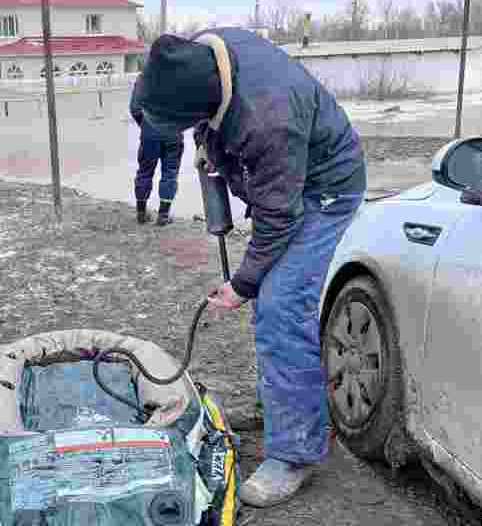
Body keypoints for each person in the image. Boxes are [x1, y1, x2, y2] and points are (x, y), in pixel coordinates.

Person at [133, 28, 366, 507]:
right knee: (270, 300)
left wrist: (242, 284)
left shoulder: (268, 118)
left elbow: (280, 219)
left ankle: (296, 452)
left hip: (323, 191)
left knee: (280, 305)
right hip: (284, 177)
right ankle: (282, 408)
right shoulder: (198, 53)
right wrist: (209, 145)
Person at [130, 79, 185, 225]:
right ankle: (163, 215)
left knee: (144, 171)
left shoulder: (145, 78)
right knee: (170, 173)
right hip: (173, 132)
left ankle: (141, 213)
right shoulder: (182, 77)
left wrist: (145, 125)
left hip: (150, 131)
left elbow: (135, 109)